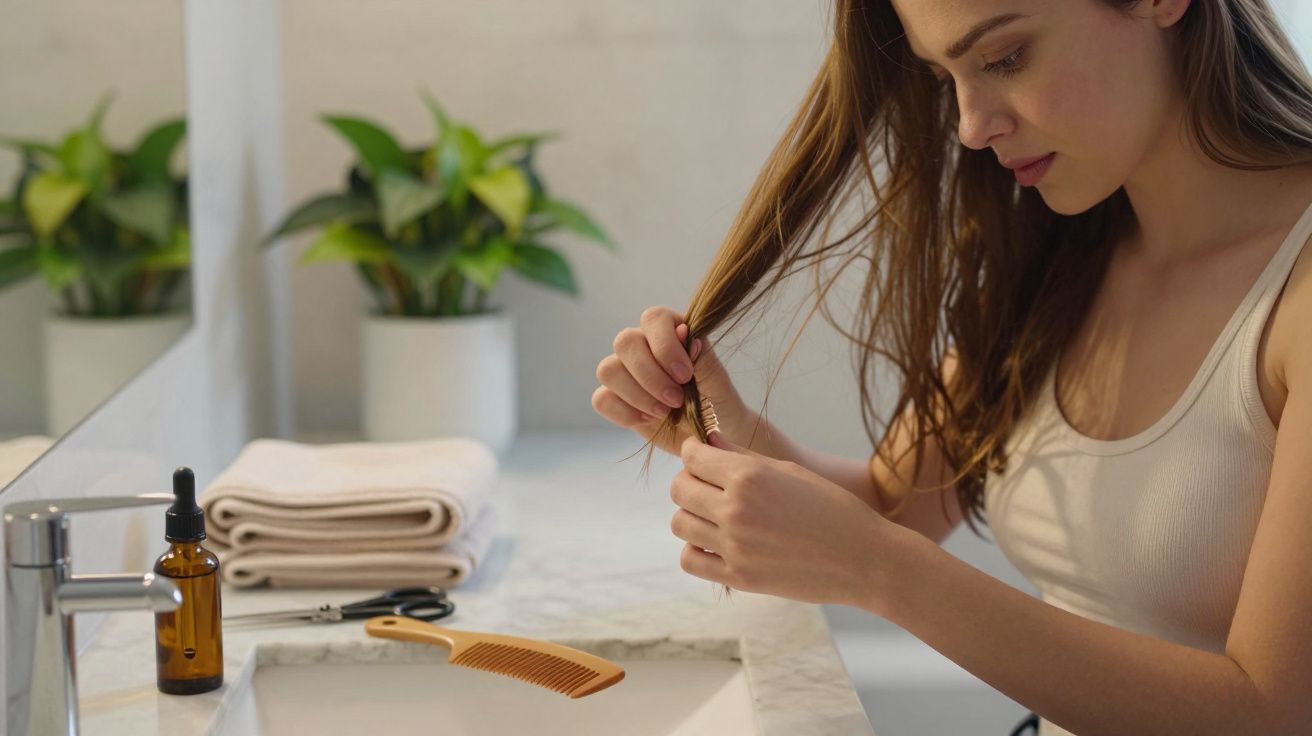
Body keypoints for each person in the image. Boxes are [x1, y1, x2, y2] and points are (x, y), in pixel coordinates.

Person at [592, 1, 1312, 734]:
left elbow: (1274, 711)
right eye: (946, 78)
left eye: (1005, 58)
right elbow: (892, 503)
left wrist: (876, 568)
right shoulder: (1064, 255)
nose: (971, 126)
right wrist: (714, 429)